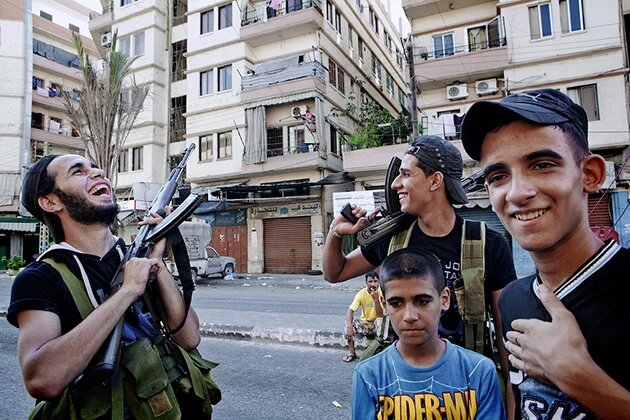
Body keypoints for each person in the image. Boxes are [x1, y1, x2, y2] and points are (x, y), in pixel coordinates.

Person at [461, 88, 630, 418]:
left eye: (542, 164)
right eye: (498, 176)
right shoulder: (512, 300)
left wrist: (575, 375)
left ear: (590, 174)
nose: (518, 193)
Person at [8, 154, 217, 418]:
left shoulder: (135, 256)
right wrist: (128, 291)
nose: (99, 172)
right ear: (51, 201)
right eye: (78, 171)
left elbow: (189, 338)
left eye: (95, 167)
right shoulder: (40, 278)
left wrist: (156, 264)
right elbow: (42, 380)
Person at [323, 134, 516, 412]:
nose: (395, 184)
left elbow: (505, 337)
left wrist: (511, 404)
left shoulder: (488, 244)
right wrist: (335, 233)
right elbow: (335, 272)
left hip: (466, 391)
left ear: (435, 180)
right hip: (400, 393)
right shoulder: (393, 238)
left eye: (405, 175)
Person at [352, 248, 505, 419]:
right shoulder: (369, 375)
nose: (410, 316)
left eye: (422, 301)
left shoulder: (479, 371)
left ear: (444, 299)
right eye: (396, 303)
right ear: (383, 303)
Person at [343, 271, 384, 363]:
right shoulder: (361, 294)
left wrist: (376, 299)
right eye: (370, 281)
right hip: (365, 323)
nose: (373, 284)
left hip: (377, 323)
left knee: (381, 320)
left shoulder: (382, 293)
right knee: (349, 324)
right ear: (366, 282)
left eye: (375, 281)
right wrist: (349, 326)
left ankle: (380, 351)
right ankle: (352, 353)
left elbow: (380, 315)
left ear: (379, 282)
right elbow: (350, 311)